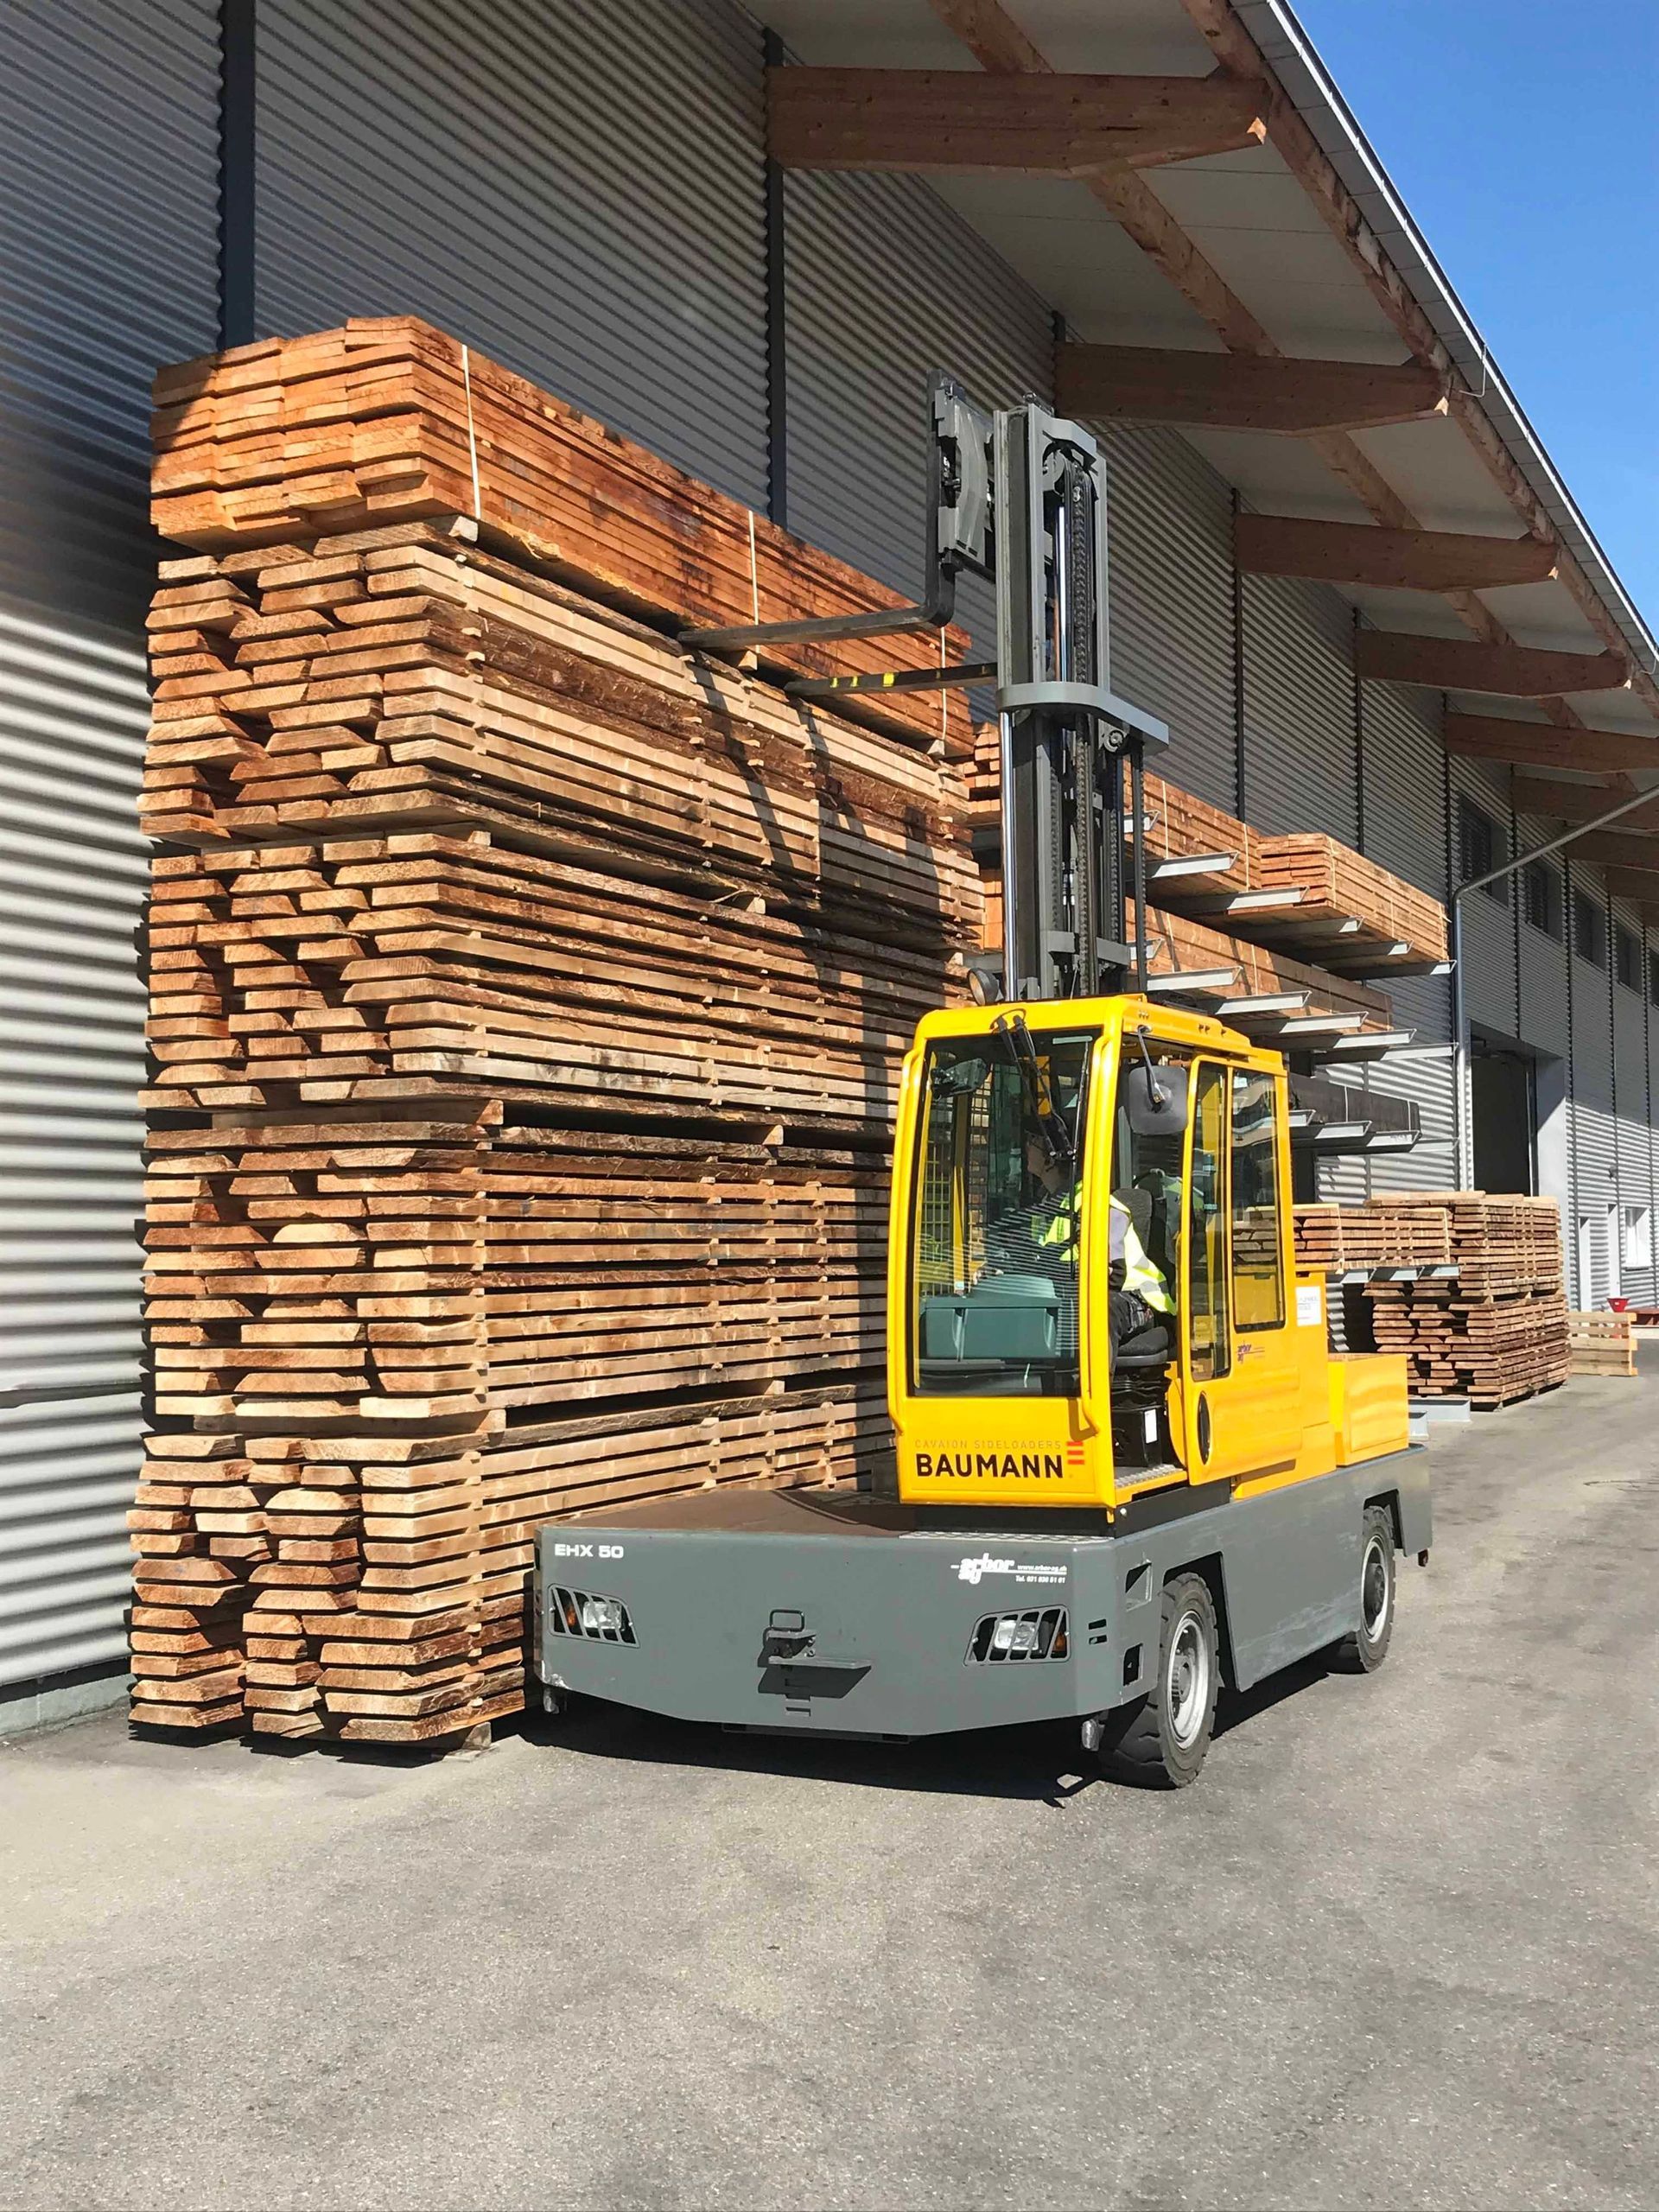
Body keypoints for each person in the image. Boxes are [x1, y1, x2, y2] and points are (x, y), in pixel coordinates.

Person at [1109, 1190, 1175, 1366]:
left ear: (1051, 1161)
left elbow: (1114, 1275)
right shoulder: (1042, 1206)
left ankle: (1091, 1389)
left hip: (1137, 1297)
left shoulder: (1103, 1207)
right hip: (1062, 1292)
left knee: (1100, 1310)